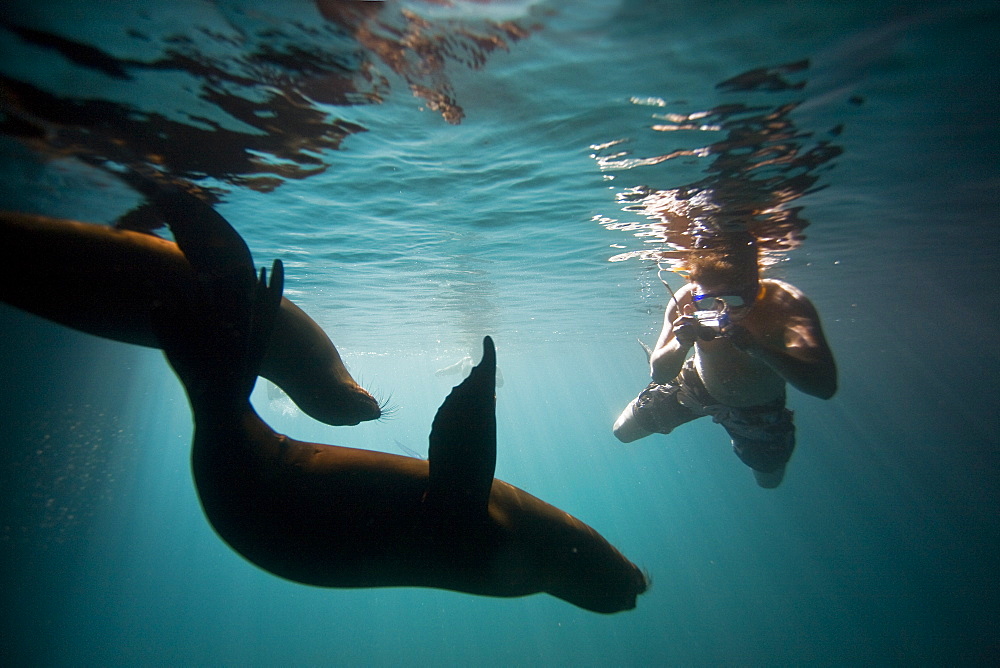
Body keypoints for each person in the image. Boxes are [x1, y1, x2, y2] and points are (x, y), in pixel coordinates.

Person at [613, 242, 837, 488]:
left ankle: (748, 433)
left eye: (734, 300)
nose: (723, 311)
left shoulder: (785, 302)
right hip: (696, 383)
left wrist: (759, 350)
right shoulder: (687, 298)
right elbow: (659, 373)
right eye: (709, 302)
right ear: (695, 286)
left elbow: (825, 387)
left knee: (769, 480)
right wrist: (681, 344)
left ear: (754, 289)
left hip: (758, 405)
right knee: (622, 432)